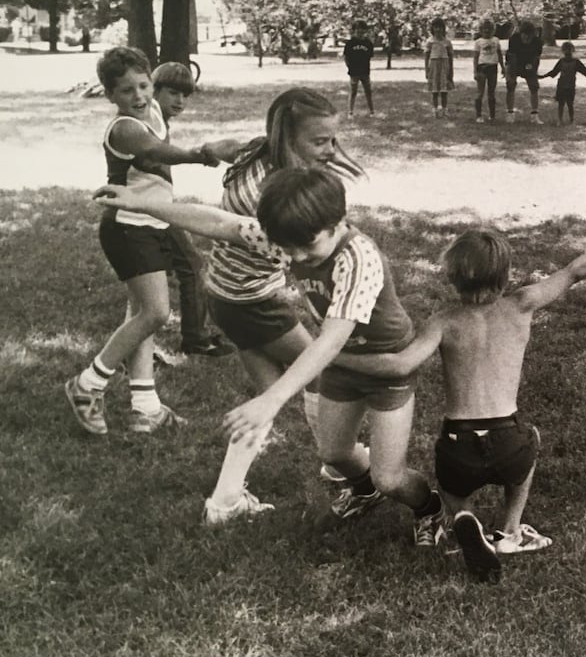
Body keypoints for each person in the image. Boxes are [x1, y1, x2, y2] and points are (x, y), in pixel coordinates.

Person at [94, 167, 444, 540]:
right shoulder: (294, 236)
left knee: (389, 477)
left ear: (337, 222)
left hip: (385, 366)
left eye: (307, 245)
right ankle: (364, 490)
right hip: (342, 364)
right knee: (334, 454)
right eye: (288, 247)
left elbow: (330, 339)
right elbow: (219, 223)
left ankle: (429, 508)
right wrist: (141, 203)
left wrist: (271, 399)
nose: (296, 256)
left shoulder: (358, 259)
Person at [330, 224, 586, 583]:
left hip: (459, 446)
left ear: (452, 278)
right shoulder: (522, 303)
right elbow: (575, 270)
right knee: (530, 440)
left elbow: (401, 364)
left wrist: (333, 356)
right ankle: (510, 533)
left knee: (450, 487)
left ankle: (462, 515)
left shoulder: (443, 322)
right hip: (509, 441)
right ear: (505, 275)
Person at [200, 88, 368, 524]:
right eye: (320, 141)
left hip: (224, 294)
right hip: (253, 300)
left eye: (333, 140)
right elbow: (314, 251)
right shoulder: (273, 195)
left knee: (266, 396)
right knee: (318, 372)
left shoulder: (258, 154)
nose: (331, 151)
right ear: (288, 138)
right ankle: (338, 461)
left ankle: (225, 500)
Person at [64, 47, 234, 437]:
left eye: (143, 86)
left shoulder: (152, 109)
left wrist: (175, 94)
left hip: (152, 224)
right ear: (110, 95)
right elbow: (158, 151)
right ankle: (87, 384)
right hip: (127, 228)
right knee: (155, 313)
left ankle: (145, 408)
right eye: (126, 91)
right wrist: (205, 154)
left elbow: (166, 106)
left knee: (139, 315)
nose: (138, 96)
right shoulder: (124, 128)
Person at [150, 61, 235, 358]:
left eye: (185, 95)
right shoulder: (150, 118)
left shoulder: (156, 118)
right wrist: (197, 156)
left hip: (155, 205)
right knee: (192, 265)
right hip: (153, 209)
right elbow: (154, 156)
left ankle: (141, 350)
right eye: (173, 93)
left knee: (147, 282)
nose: (180, 101)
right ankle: (196, 339)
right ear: (155, 90)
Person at [542, 42, 586, 124]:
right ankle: (562, 120)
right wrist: (543, 76)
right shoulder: (570, 62)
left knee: (568, 104)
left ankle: (568, 120)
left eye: (568, 50)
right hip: (563, 85)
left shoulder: (570, 62)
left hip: (567, 85)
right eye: (566, 50)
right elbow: (554, 72)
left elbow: (585, 72)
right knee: (563, 103)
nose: (567, 52)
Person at [505, 19, 544, 124]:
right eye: (524, 35)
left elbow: (536, 58)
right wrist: (510, 74)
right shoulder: (514, 39)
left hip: (529, 63)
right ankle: (510, 113)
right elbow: (511, 58)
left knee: (534, 86)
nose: (526, 38)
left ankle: (534, 115)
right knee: (510, 85)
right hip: (514, 63)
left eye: (529, 36)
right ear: (521, 33)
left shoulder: (538, 42)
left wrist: (533, 70)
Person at [472, 18, 504, 123]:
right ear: (481, 30)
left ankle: (492, 115)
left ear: (493, 29)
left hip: (493, 67)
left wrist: (503, 67)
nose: (487, 31)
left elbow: (499, 54)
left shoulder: (496, 40)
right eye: (484, 29)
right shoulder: (478, 42)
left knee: (491, 93)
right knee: (480, 93)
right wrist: (475, 71)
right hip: (482, 67)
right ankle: (478, 115)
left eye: (489, 29)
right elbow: (475, 57)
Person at [424, 18, 455, 118]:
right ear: (432, 28)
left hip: (444, 66)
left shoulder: (447, 42)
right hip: (434, 66)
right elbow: (426, 57)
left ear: (443, 28)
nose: (438, 29)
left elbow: (450, 57)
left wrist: (451, 71)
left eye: (440, 27)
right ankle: (435, 109)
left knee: (444, 89)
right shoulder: (430, 41)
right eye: (436, 27)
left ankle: (444, 109)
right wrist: (426, 70)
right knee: (435, 89)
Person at [343, 20, 374, 117]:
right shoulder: (350, 43)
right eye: (358, 30)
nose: (360, 32)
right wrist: (349, 67)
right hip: (354, 72)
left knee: (368, 91)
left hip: (365, 71)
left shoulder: (368, 43)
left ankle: (372, 111)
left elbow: (369, 56)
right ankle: (350, 112)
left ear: (365, 31)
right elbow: (346, 57)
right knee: (353, 92)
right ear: (354, 31)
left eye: (362, 30)